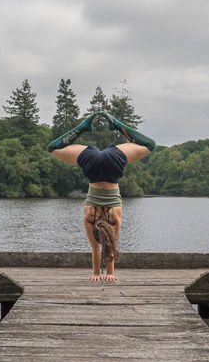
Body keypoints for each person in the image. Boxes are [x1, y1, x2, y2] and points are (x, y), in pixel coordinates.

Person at [47, 111, 156, 281]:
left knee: (150, 145)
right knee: (52, 149)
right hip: (93, 164)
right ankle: (87, 127)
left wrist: (107, 274)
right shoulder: (90, 215)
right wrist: (100, 274)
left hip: (113, 163)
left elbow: (108, 247)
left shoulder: (114, 217)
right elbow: (99, 248)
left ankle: (109, 125)